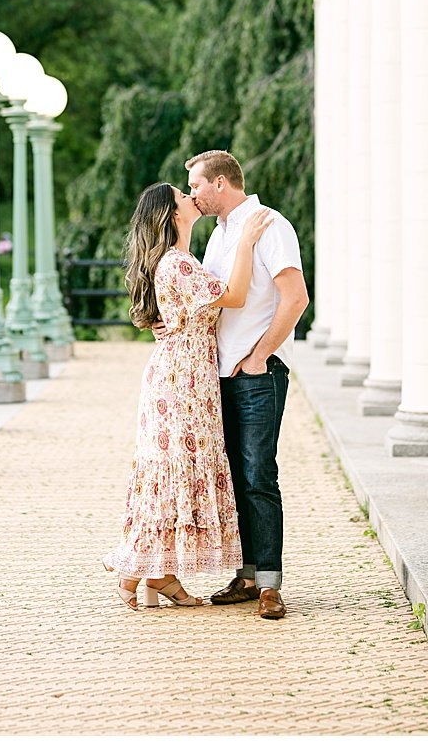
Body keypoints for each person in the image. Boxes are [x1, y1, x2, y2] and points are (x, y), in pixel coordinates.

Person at [104, 182, 272, 609]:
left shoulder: (181, 260)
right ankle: (137, 570)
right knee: (171, 467)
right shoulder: (177, 263)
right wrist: (248, 242)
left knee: (173, 465)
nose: (191, 196)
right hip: (181, 382)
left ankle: (161, 574)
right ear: (172, 213)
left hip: (187, 375)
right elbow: (232, 297)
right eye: (183, 194)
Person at [182, 149, 309, 621]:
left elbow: (295, 297)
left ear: (220, 183)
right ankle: (246, 574)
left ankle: (271, 584)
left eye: (197, 184)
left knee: (258, 476)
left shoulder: (269, 224)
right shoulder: (219, 236)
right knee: (234, 477)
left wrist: (259, 356)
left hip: (257, 374)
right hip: (219, 376)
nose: (193, 193)